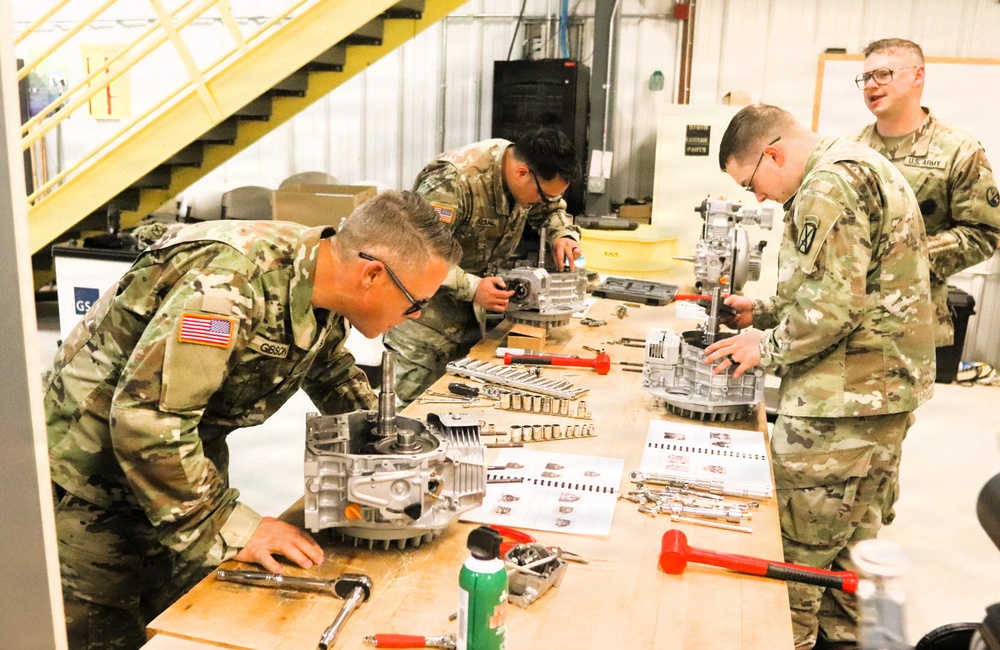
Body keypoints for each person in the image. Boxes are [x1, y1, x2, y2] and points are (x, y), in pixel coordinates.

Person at [45, 190, 461, 649]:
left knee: (188, 617)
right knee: (107, 633)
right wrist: (229, 523)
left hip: (179, 468)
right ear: (372, 274)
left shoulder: (320, 279)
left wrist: (382, 443)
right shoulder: (228, 286)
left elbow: (329, 366)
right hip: (89, 479)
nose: (417, 316)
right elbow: (147, 420)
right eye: (415, 302)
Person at [703, 104, 936, 649]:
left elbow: (832, 307)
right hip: (877, 395)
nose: (757, 197)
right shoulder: (856, 164)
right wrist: (757, 315)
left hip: (843, 403)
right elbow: (833, 286)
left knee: (795, 563)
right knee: (850, 554)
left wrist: (766, 347)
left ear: (773, 153)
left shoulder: (827, 185)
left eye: (751, 183)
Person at [384, 127, 583, 404]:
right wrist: (473, 286)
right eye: (541, 195)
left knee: (457, 413)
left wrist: (562, 234)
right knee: (410, 417)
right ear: (522, 173)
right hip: (423, 327)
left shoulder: (525, 175)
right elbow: (416, 253)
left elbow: (551, 210)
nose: (542, 203)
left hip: (471, 323)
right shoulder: (454, 180)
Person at [850, 38, 1000, 347]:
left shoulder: (958, 150)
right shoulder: (848, 150)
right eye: (865, 78)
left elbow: (983, 233)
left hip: (908, 327)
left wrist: (902, 258)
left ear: (917, 76)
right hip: (842, 320)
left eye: (882, 74)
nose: (871, 86)